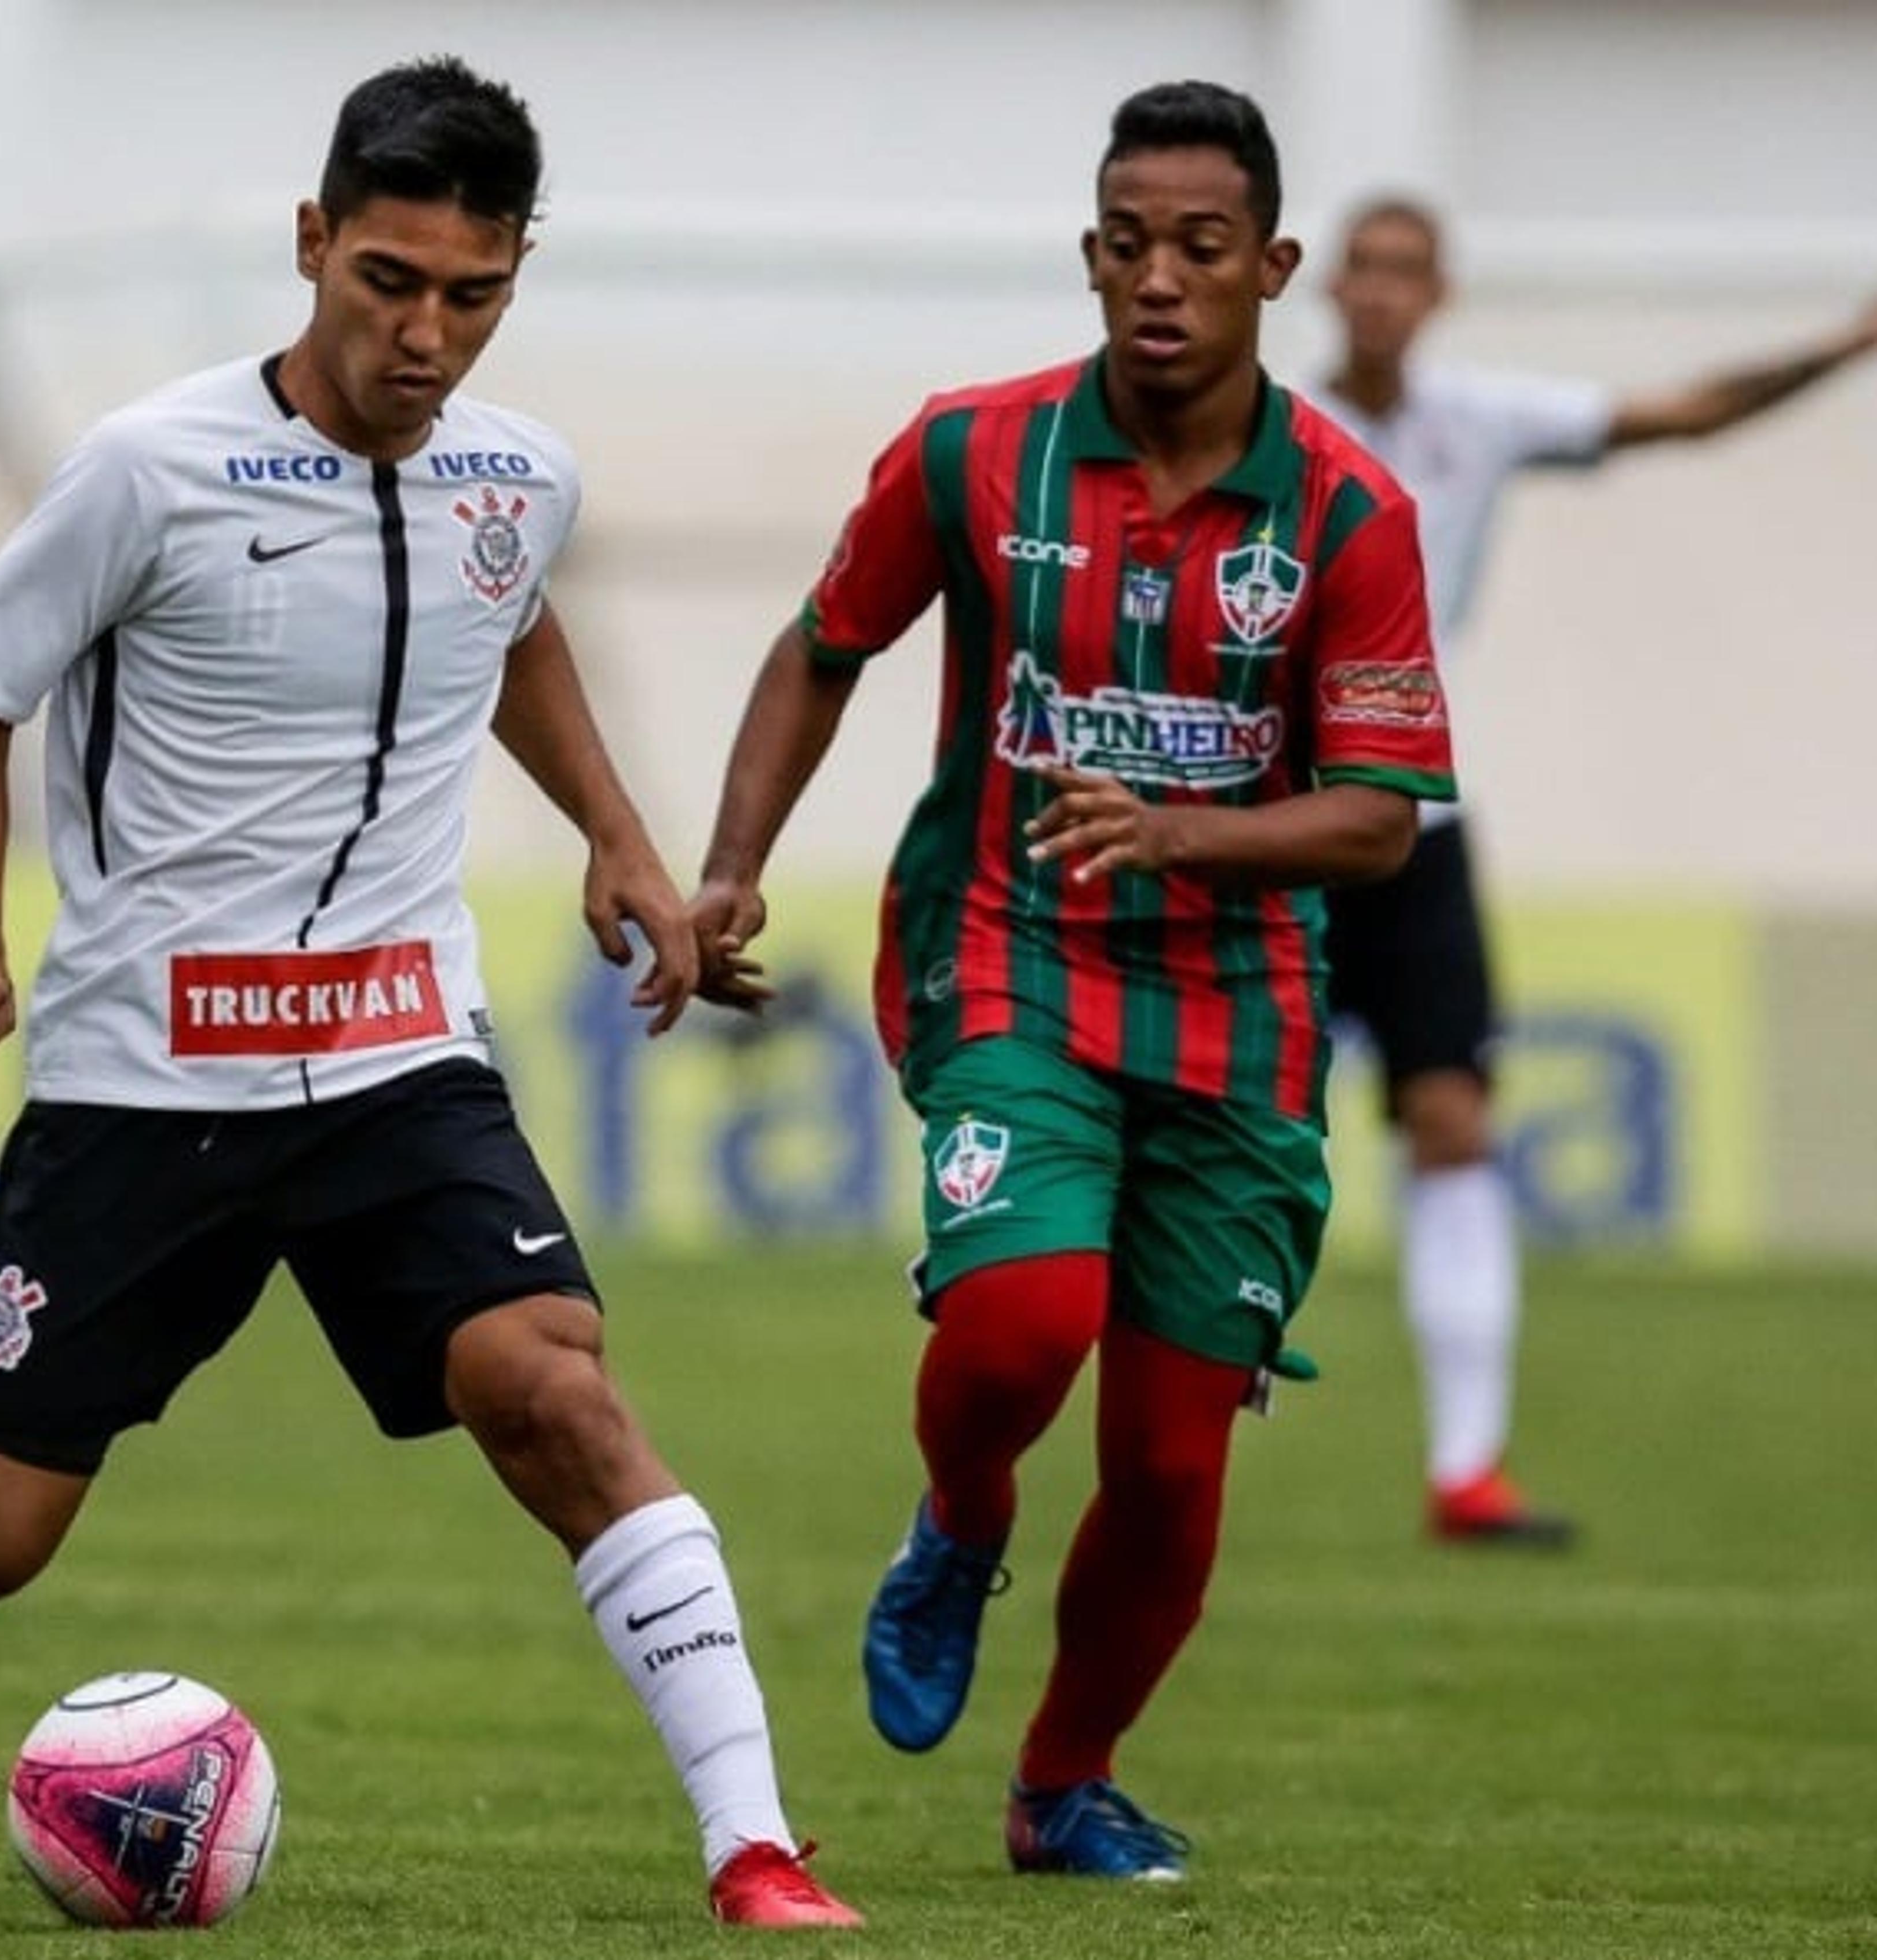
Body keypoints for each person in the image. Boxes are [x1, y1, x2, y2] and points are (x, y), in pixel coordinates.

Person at [0, 58, 859, 1931]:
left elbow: (509, 620)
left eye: (472, 292)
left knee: (556, 1389)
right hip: (143, 1081)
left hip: (399, 1065)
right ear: (314, 245)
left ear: (517, 276)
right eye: (389, 280)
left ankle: (756, 1845)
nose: (426, 332)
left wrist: (619, 835)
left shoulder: (518, 479)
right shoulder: (147, 467)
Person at [688, 81, 1452, 1881]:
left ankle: (1062, 1785)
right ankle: (958, 1523)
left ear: (1271, 267)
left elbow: (1380, 823)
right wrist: (729, 864)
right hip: (1005, 957)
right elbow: (826, 648)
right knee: (1023, 1321)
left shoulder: (1349, 512)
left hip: (1240, 1013)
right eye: (1128, 245)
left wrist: (1188, 834)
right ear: (1090, 255)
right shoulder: (972, 453)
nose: (1160, 281)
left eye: (1201, 249)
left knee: (1176, 1466)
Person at [1310, 196, 1877, 1546]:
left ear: (1437, 294)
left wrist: (1851, 342)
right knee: (1225, 1130)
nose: (1383, 294)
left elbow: (1684, 413)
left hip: (1413, 826)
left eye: (1408, 273)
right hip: (1266, 827)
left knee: (1453, 1122)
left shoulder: (1481, 422)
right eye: (1366, 270)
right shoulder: (1264, 423)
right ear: (1326, 287)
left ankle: (1467, 1469)